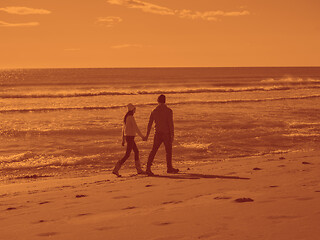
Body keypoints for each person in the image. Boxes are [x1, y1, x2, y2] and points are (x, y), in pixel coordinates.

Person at [144, 94, 179, 176]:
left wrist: (147, 135)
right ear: (165, 101)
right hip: (166, 133)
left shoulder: (154, 111)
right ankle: (169, 168)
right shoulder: (169, 111)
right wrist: (172, 135)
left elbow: (149, 124)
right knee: (168, 151)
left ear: (157, 101)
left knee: (153, 151)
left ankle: (148, 168)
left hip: (157, 134)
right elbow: (171, 124)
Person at [113, 104, 145, 177]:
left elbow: (123, 129)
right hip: (130, 138)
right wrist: (142, 137)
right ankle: (116, 169)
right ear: (132, 109)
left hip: (129, 137)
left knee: (136, 151)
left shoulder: (126, 117)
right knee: (127, 155)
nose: (135, 110)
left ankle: (139, 169)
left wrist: (123, 140)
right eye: (134, 109)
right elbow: (136, 128)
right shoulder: (131, 117)